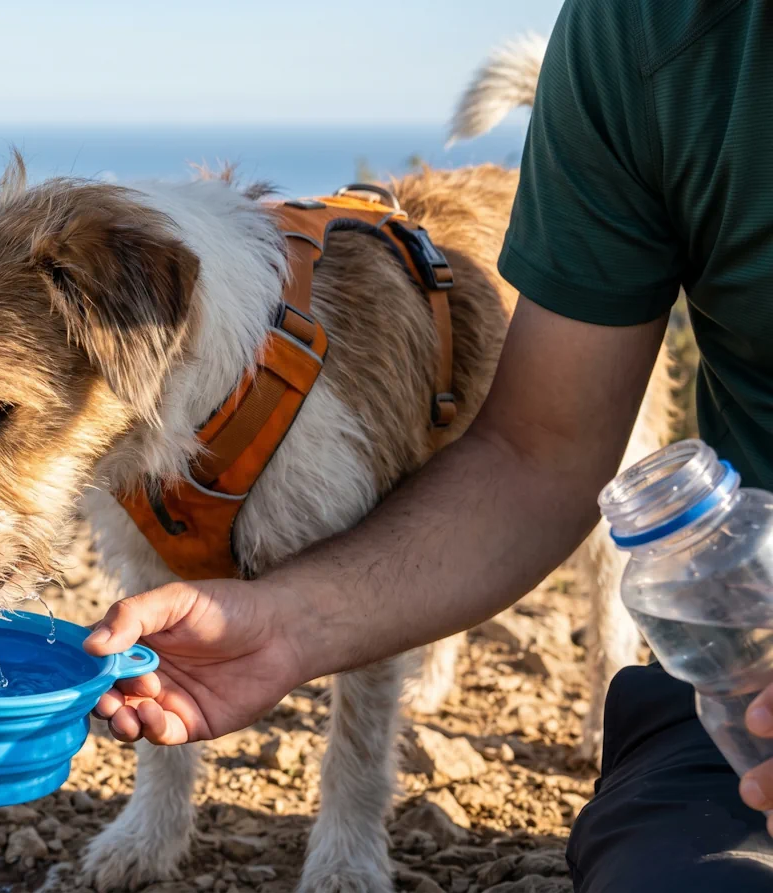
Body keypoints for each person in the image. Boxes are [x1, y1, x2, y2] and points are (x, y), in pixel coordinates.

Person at [84, 1, 773, 889]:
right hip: (745, 670)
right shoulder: (647, 32)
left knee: (615, 550)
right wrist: (298, 622)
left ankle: (610, 665)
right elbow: (536, 455)